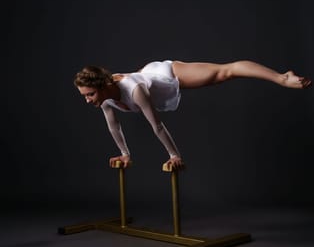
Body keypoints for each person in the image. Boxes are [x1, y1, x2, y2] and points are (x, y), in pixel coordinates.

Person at [73, 59, 311, 169]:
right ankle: (282, 77)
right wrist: (124, 154)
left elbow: (156, 126)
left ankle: (282, 78)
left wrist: (174, 155)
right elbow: (114, 127)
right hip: (146, 76)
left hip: (165, 74)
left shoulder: (134, 92)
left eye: (90, 94)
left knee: (225, 72)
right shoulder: (104, 99)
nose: (87, 100)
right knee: (225, 73)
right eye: (84, 95)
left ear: (103, 86)